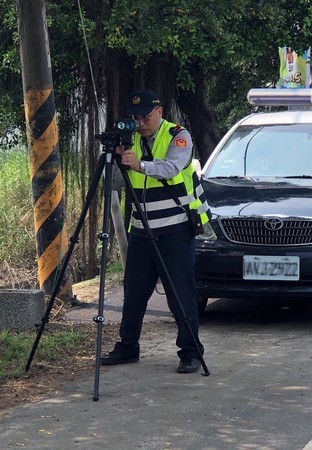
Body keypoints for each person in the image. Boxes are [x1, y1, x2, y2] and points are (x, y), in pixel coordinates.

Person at [100, 89, 209, 374]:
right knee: (134, 292)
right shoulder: (131, 140)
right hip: (141, 229)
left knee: (180, 294)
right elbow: (113, 185)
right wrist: (114, 160)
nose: (141, 122)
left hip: (174, 229)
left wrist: (139, 164)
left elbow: (172, 167)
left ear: (159, 111)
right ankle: (127, 346)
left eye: (146, 116)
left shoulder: (177, 135)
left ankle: (191, 351)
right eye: (136, 117)